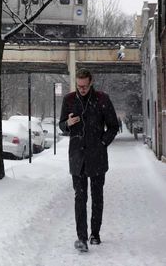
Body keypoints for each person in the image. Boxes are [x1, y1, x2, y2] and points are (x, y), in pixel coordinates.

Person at [59, 68, 119, 252]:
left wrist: (102, 143)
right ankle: (82, 238)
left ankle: (95, 233)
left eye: (85, 86)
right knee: (80, 198)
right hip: (77, 157)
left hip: (97, 157)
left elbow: (113, 126)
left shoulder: (102, 99)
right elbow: (61, 125)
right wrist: (67, 124)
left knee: (97, 197)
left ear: (91, 82)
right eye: (79, 86)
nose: (82, 89)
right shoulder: (69, 100)